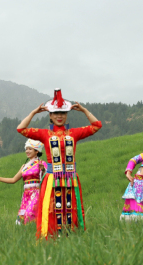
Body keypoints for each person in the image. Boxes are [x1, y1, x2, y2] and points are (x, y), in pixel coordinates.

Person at [17, 89, 102, 238]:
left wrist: (84, 110)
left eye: (62, 113)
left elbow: (96, 125)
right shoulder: (44, 134)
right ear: (50, 115)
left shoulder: (74, 133)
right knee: (50, 209)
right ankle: (50, 238)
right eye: (55, 113)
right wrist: (34, 113)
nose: (59, 116)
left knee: (70, 208)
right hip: (51, 178)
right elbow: (21, 128)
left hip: (71, 178)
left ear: (66, 115)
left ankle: (72, 237)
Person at [0, 139, 46, 225]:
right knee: (21, 217)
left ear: (37, 151)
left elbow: (47, 177)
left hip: (36, 193)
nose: (27, 151)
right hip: (26, 194)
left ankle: (34, 231)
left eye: (30, 149)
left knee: (29, 214)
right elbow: (13, 179)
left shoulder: (41, 163)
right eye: (26, 149)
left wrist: (43, 170)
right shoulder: (24, 166)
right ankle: (25, 233)